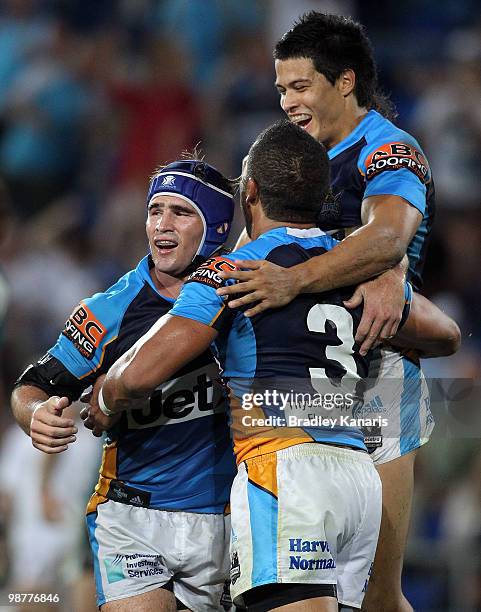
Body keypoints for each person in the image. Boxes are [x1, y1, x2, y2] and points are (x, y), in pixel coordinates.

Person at [96, 121, 459, 611]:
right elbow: (447, 335)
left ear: (250, 193)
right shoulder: (350, 268)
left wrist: (104, 396)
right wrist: (390, 289)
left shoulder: (236, 271)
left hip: (285, 472)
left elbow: (138, 374)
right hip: (357, 478)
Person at [216, 13, 437, 612]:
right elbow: (243, 262)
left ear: (345, 81)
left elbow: (389, 234)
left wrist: (299, 281)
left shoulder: (389, 150)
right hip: (296, 390)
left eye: (300, 86)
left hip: (381, 381)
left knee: (377, 597)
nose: (287, 102)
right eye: (281, 88)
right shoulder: (294, 160)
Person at [10, 157, 237, 612]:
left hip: (229, 518)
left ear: (215, 227)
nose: (162, 225)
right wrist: (35, 415)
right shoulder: (107, 310)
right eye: (155, 210)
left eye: (181, 212)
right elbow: (30, 386)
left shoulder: (247, 291)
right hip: (132, 519)